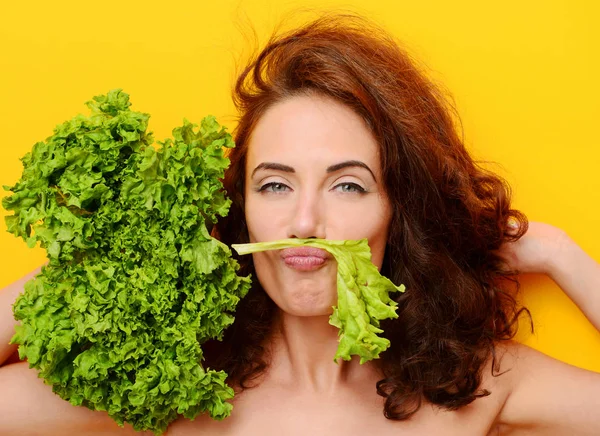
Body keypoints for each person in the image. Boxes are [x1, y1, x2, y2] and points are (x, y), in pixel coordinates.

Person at [1, 12, 599, 436]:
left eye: (348, 185)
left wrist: (560, 255)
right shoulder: (170, 386)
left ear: (400, 209)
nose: (306, 221)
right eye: (275, 185)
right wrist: (74, 287)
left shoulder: (478, 386)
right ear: (241, 208)